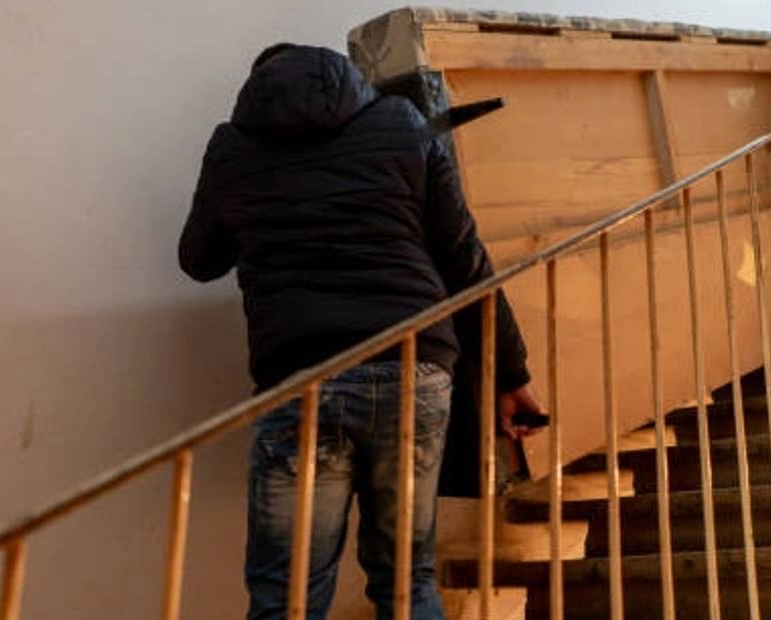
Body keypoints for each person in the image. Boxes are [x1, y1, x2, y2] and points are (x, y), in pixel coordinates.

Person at [179, 44, 543, 620]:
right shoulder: (400, 124)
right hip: (413, 368)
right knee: (406, 579)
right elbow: (464, 260)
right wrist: (510, 373)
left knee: (286, 597)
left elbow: (198, 260)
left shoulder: (233, 146)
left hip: (303, 380)